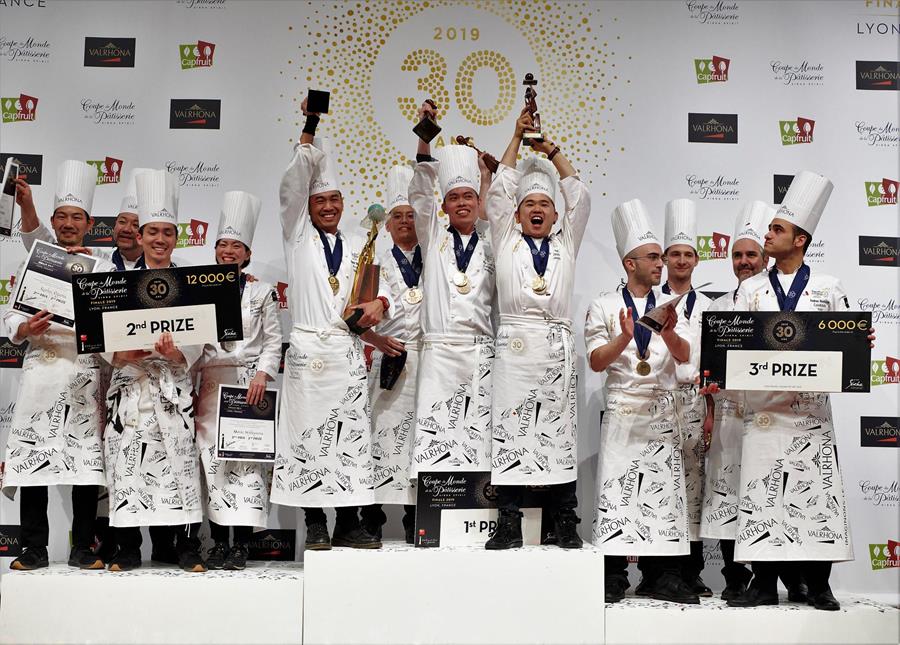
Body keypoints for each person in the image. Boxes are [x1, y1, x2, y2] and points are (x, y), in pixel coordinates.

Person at [727, 172, 868, 611]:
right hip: (764, 412)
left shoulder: (827, 288)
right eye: (770, 228)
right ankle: (764, 583)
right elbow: (731, 345)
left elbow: (848, 346)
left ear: (800, 240)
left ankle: (819, 584)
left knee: (817, 496)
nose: (768, 235)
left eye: (777, 230)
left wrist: (859, 347)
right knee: (763, 493)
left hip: (810, 414)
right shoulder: (749, 290)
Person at [272, 98, 384, 550]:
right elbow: (294, 185)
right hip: (308, 353)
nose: (328, 206)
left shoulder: (360, 241)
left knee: (350, 437)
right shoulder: (296, 232)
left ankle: (350, 521)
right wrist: (310, 126)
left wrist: (383, 303)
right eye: (320, 200)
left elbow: (379, 286)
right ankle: (315, 522)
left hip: (344, 351)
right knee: (308, 436)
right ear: (308, 206)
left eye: (335, 199)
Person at [482, 108, 591, 550]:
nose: (538, 210)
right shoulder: (505, 239)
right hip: (514, 347)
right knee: (511, 429)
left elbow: (581, 197)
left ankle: (564, 519)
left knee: (558, 432)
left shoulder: (566, 243)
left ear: (554, 214)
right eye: (530, 204)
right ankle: (508, 520)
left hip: (556, 349)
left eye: (545, 204)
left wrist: (551, 151)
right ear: (518, 214)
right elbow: (498, 193)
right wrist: (515, 139)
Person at [584, 199, 698, 604]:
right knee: (617, 491)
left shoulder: (671, 306)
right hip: (622, 409)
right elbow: (597, 361)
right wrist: (625, 337)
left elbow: (685, 356)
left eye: (660, 258)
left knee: (662, 494)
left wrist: (666, 331)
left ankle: (661, 575)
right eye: (652, 257)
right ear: (630, 263)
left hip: (662, 410)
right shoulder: (603, 305)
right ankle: (613, 573)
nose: (661, 264)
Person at [1, 161, 112, 570]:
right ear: (54, 221)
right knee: (34, 462)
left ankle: (83, 548)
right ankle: (34, 549)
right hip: (41, 373)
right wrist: (25, 327)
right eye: (62, 217)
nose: (68, 224)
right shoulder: (35, 262)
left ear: (88, 224)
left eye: (76, 217)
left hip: (82, 374)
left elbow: (114, 322)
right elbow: (10, 317)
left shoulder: (103, 268)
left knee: (84, 468)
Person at [103, 169, 207, 572]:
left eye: (167, 232)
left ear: (175, 238)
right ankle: (128, 548)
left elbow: (199, 339)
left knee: (176, 466)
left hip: (172, 388)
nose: (160, 239)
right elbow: (98, 340)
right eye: (153, 231)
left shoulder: (190, 282)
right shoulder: (114, 282)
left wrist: (179, 355)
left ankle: (182, 548)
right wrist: (120, 356)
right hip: (129, 391)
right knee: (128, 466)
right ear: (140, 235)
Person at [408, 101, 495, 478]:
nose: (462, 203)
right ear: (444, 205)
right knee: (437, 439)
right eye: (454, 198)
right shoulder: (432, 237)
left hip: (480, 354)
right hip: (440, 355)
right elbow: (420, 192)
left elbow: (499, 210)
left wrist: (486, 175)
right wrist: (426, 133)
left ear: (478, 202)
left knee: (478, 442)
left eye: (468, 197)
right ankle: (431, 524)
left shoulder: (493, 241)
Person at [195, 191, 282, 569]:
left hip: (249, 385)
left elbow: (274, 340)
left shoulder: (262, 292)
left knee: (247, 464)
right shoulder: (198, 286)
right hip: (212, 387)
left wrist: (263, 373)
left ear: (247, 254)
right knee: (212, 464)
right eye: (222, 244)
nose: (228, 251)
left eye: (237, 246)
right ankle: (217, 542)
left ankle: (242, 544)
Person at [699, 201, 773, 601]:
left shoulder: (780, 306)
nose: (743, 262)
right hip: (728, 416)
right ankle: (732, 577)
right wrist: (709, 413)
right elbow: (708, 371)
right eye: (737, 255)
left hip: (768, 415)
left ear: (765, 257)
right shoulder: (717, 308)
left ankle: (771, 577)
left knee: (763, 493)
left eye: (751, 255)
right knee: (726, 494)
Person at [359, 165, 422, 544]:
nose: (403, 222)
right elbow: (355, 316)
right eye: (397, 216)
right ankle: (373, 518)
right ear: (387, 225)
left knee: (420, 441)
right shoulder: (371, 261)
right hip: (390, 357)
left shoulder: (438, 258)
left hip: (430, 362)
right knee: (381, 439)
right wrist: (375, 341)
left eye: (411, 216)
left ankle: (417, 518)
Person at [660, 198, 713, 595]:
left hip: (695, 402)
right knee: (661, 485)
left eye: (687, 254)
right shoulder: (645, 302)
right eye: (674, 254)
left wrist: (710, 412)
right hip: (657, 402)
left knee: (694, 486)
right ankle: (654, 572)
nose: (681, 260)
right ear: (663, 259)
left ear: (697, 260)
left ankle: (690, 571)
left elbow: (712, 367)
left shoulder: (713, 308)